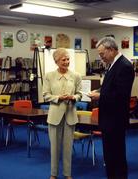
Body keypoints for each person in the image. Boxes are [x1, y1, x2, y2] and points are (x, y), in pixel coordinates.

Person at [88, 37, 134, 179]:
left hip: (116, 120)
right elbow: (109, 87)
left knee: (117, 156)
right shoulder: (113, 64)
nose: (101, 57)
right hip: (109, 119)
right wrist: (99, 91)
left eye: (102, 54)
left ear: (112, 50)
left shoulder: (124, 66)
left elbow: (121, 95)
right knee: (109, 156)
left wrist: (100, 97)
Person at [43, 48, 82, 179]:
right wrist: (58, 98)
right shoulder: (49, 76)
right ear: (56, 61)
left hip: (70, 116)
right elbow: (46, 95)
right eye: (63, 59)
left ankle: (67, 174)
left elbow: (80, 94)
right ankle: (53, 174)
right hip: (54, 117)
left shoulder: (76, 76)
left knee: (67, 147)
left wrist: (73, 98)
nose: (66, 62)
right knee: (54, 147)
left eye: (68, 59)